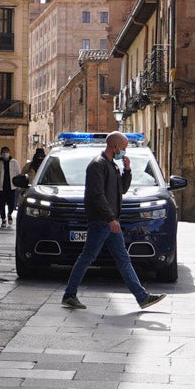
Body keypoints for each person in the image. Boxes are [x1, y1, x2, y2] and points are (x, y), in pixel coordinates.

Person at [61, 131, 166, 311]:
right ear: (114, 146)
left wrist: (127, 170)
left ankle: (142, 297)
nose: (124, 152)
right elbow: (97, 195)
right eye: (123, 148)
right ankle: (69, 295)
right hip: (101, 221)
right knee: (87, 257)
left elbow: (122, 190)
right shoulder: (97, 165)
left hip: (109, 221)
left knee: (122, 259)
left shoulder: (112, 166)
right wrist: (110, 218)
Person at [0, 146, 20, 228]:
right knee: (1, 204)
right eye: (4, 152)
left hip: (12, 187)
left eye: (7, 151)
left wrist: (18, 185)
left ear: (9, 152)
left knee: (11, 203)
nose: (5, 153)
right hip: (1, 188)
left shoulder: (14, 163)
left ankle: (10, 214)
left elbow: (18, 174)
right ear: (1, 153)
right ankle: (3, 219)